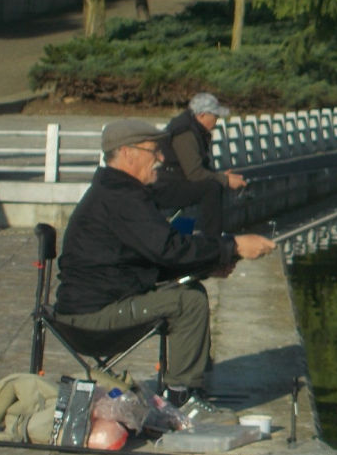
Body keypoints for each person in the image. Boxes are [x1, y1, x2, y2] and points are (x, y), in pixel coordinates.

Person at [54, 118, 275, 422]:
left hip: (95, 304)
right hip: (91, 318)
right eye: (153, 151)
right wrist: (232, 246)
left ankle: (185, 389)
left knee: (189, 290)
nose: (160, 159)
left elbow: (149, 260)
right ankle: (183, 400)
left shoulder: (116, 191)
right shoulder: (121, 197)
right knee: (189, 301)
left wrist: (209, 266)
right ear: (127, 153)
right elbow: (169, 249)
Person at [152, 91, 247, 239]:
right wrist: (224, 180)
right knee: (211, 188)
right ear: (202, 115)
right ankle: (212, 240)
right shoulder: (185, 133)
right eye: (215, 116)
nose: (217, 120)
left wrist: (220, 176)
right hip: (165, 186)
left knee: (211, 185)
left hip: (177, 181)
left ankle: (192, 235)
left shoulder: (193, 128)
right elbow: (195, 173)